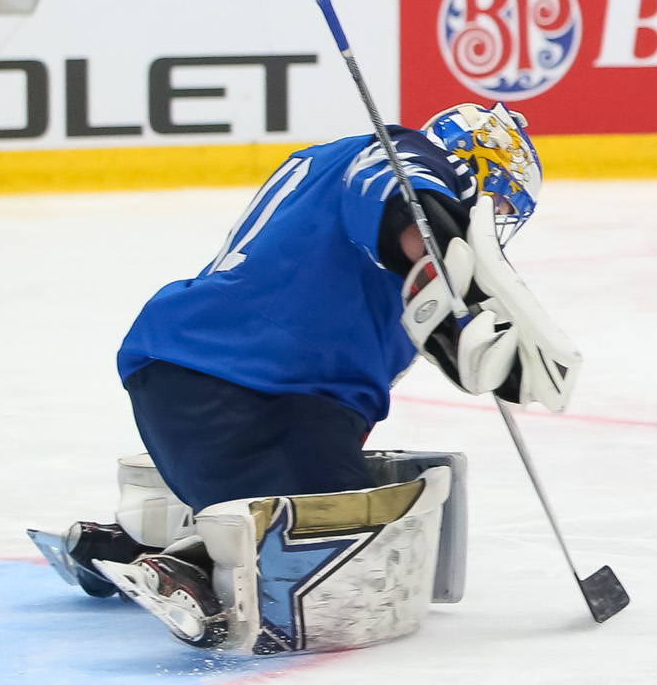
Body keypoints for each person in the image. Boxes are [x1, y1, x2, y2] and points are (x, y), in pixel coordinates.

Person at [36, 104, 579, 655]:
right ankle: (191, 564)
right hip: (252, 397)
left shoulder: (350, 194)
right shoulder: (399, 154)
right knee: (346, 576)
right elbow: (407, 203)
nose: (499, 217)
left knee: (380, 511)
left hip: (209, 384)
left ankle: (146, 533)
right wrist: (456, 265)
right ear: (473, 169)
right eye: (502, 199)